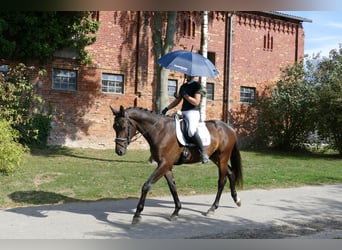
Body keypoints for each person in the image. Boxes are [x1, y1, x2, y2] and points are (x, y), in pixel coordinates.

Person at [161, 75, 209, 164]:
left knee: (191, 131)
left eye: (189, 74)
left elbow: (196, 102)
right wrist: (167, 108)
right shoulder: (183, 86)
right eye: (186, 74)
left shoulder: (197, 86)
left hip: (192, 112)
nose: (187, 75)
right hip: (183, 111)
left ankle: (203, 152)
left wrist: (186, 95)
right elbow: (178, 101)